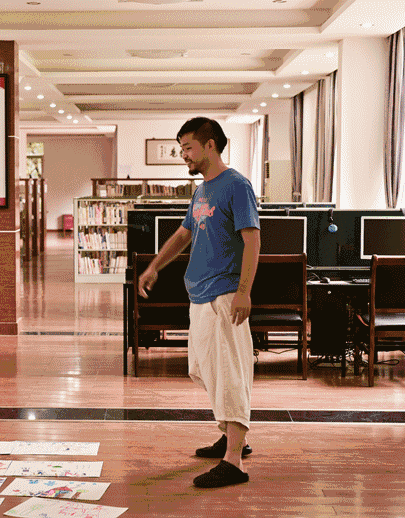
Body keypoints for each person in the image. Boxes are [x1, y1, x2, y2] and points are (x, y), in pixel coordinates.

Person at [138, 117, 260, 488]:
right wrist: (154, 266)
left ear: (210, 145)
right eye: (181, 149)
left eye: (188, 148)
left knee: (230, 375)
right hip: (200, 294)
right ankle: (230, 434)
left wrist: (243, 291)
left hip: (225, 294)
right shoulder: (203, 190)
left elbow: (252, 240)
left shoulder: (236, 185)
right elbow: (183, 234)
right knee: (204, 370)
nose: (183, 156)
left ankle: (234, 461)